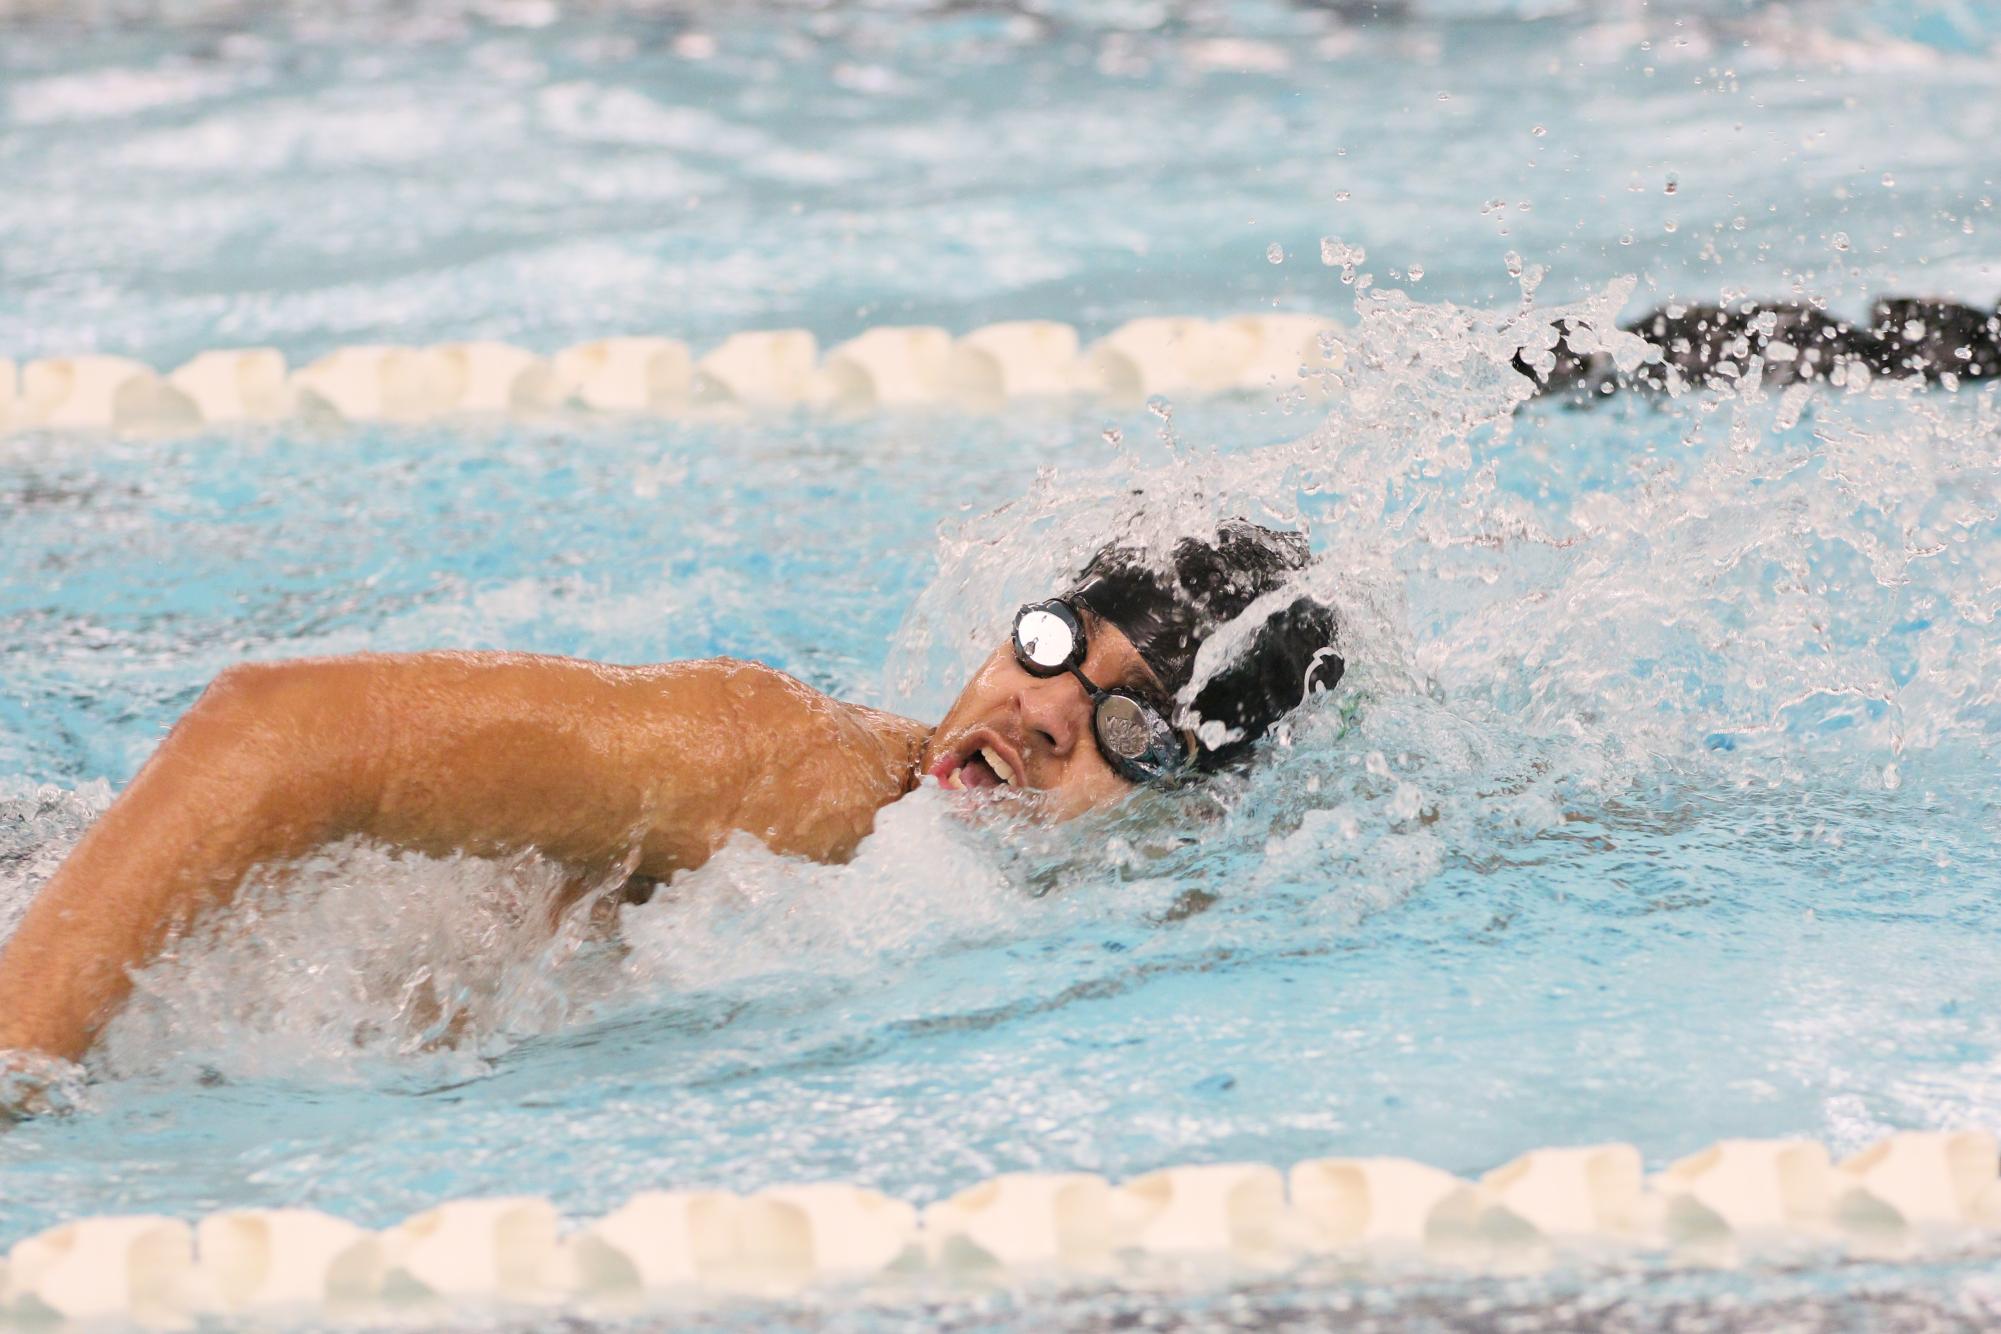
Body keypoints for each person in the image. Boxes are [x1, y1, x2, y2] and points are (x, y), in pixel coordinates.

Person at [0, 519, 1340, 1070]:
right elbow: (273, 730)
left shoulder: (1104, 928)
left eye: (1130, 724)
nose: (1045, 712)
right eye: (1055, 640)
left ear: (1199, 806)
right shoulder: (782, 771)